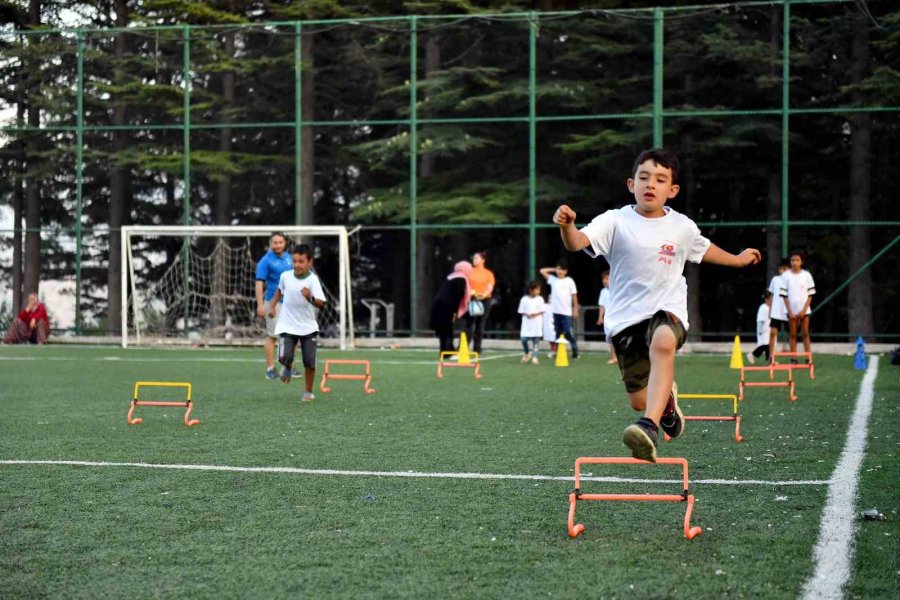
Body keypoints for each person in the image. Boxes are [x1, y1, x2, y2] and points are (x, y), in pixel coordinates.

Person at [552, 148, 760, 462]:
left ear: (672, 190)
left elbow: (703, 250)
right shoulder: (615, 220)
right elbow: (578, 242)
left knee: (663, 342)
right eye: (644, 177)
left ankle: (648, 426)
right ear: (630, 184)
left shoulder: (682, 227)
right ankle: (664, 405)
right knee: (639, 399)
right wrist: (567, 227)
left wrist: (737, 259)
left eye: (660, 179)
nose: (651, 184)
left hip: (667, 309)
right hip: (625, 320)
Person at [268, 244, 326, 402]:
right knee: (283, 357)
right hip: (287, 324)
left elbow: (321, 303)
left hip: (307, 327)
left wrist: (310, 298)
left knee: (309, 362)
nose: (297, 265)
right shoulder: (285, 276)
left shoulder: (313, 280)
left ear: (309, 262)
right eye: (294, 261)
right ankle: (287, 366)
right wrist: (272, 306)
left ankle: (308, 392)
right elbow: (279, 291)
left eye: (301, 261)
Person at [256, 232, 293, 380]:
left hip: (290, 303)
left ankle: (289, 367)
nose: (278, 245)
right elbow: (259, 283)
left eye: (280, 242)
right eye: (275, 242)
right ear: (270, 243)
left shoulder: (289, 258)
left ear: (285, 243)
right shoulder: (265, 261)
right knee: (273, 336)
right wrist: (260, 304)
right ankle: (270, 369)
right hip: (273, 303)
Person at [430, 261, 472, 355]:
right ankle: (449, 352)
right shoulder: (461, 279)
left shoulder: (451, 276)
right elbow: (457, 296)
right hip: (447, 306)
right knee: (447, 328)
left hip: (438, 304)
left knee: (443, 329)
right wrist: (455, 312)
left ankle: (444, 351)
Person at [539, 260, 580, 359]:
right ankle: (558, 352)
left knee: (567, 331)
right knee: (557, 333)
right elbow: (542, 271)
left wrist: (576, 309)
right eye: (558, 269)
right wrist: (554, 269)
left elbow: (574, 296)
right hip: (555, 311)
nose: (560, 271)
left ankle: (575, 350)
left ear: (566, 271)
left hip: (566, 312)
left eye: (562, 269)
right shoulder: (553, 280)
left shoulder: (569, 281)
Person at [780, 250, 816, 360]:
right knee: (793, 334)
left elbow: (810, 295)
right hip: (791, 311)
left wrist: (804, 310)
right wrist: (790, 311)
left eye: (797, 260)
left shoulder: (806, 275)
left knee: (805, 333)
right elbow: (784, 295)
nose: (795, 262)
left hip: (804, 311)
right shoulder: (786, 276)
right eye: (792, 260)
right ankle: (793, 358)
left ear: (801, 262)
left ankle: (808, 358)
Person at [466, 251, 496, 355]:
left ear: (483, 260)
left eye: (477, 258)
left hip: (485, 300)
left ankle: (477, 349)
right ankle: (463, 348)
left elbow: (490, 287)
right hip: (471, 299)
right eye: (474, 258)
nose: (474, 260)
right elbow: (465, 285)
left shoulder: (488, 273)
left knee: (480, 324)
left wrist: (483, 295)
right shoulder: (469, 271)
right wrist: (472, 294)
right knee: (469, 324)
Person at [767, 258, 790, 361]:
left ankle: (793, 357)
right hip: (776, 312)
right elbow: (771, 295)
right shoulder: (775, 279)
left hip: (787, 312)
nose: (782, 271)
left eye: (785, 268)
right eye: (781, 268)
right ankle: (771, 356)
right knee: (772, 333)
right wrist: (770, 310)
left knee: (792, 335)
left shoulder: (791, 280)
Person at [517, 280, 545, 364]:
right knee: (523, 339)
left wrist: (535, 314)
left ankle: (535, 357)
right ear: (530, 290)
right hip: (526, 323)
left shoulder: (540, 299)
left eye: (539, 289)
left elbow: (542, 311)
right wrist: (527, 315)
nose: (538, 291)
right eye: (537, 289)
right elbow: (521, 311)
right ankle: (527, 353)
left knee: (536, 340)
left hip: (536, 323)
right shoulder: (524, 299)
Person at [596, 270, 618, 365]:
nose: (605, 281)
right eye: (603, 279)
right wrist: (600, 317)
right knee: (611, 338)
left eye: (607, 278)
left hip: (618, 316)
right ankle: (614, 357)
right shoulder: (603, 292)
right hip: (609, 318)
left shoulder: (618, 289)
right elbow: (602, 306)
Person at [747, 292, 772, 364]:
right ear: (767, 299)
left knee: (768, 346)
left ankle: (770, 360)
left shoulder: (768, 308)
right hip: (763, 330)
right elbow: (760, 320)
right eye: (771, 299)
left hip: (767, 330)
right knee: (765, 346)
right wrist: (760, 330)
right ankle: (752, 355)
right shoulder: (763, 308)